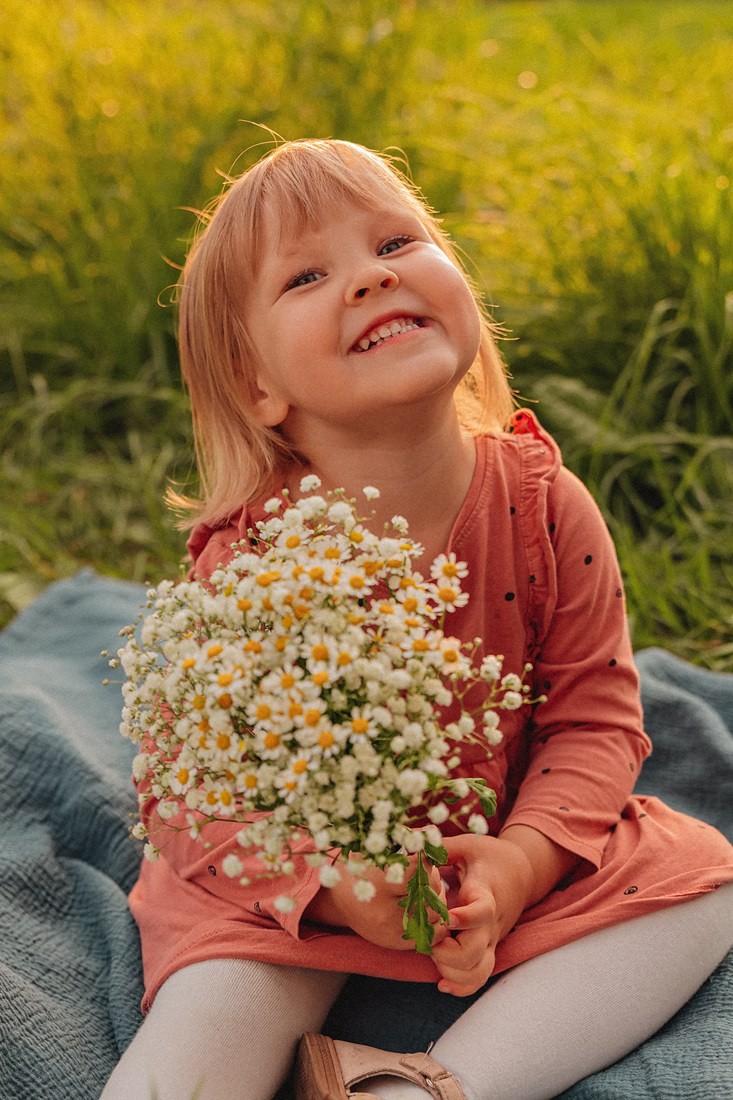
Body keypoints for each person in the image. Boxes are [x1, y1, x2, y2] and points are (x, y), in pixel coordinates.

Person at [102, 139, 733, 1100]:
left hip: (492, 860)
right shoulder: (254, 566)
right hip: (298, 898)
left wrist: (520, 864)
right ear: (257, 386)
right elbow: (194, 802)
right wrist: (334, 888)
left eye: (396, 240)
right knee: (204, 1026)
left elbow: (594, 718)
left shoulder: (543, 505)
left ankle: (425, 1087)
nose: (370, 277)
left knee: (701, 889)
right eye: (308, 275)